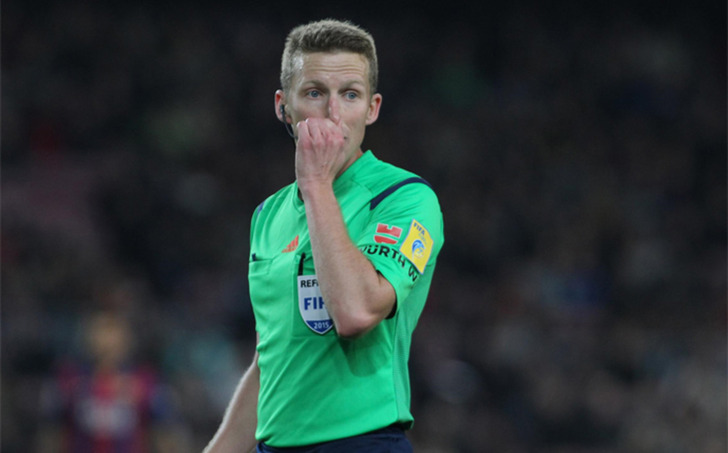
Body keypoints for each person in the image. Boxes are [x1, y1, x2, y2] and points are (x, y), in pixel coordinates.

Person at [204, 19, 444, 452]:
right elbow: (270, 362)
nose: (333, 112)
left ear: (372, 108)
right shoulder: (268, 215)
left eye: (350, 94)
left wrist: (316, 184)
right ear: (283, 106)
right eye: (314, 93)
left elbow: (355, 313)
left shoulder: (404, 198)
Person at [35, 310, 189, 453]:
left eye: (113, 333)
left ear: (127, 338)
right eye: (99, 331)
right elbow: (50, 433)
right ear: (87, 337)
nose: (106, 341)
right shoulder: (67, 379)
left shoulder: (146, 382)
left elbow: (166, 433)